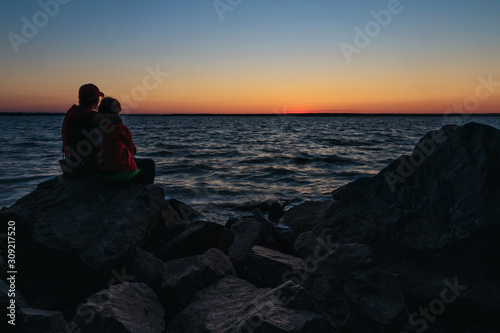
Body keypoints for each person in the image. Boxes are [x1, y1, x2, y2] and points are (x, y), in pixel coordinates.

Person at [61, 83, 122, 177]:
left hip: (71, 164)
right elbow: (116, 119)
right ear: (96, 100)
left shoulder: (72, 111)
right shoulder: (83, 115)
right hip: (80, 167)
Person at [95, 97, 155, 184]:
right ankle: (148, 192)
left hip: (102, 173)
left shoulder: (96, 129)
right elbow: (132, 151)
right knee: (150, 164)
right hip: (118, 174)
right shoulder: (120, 129)